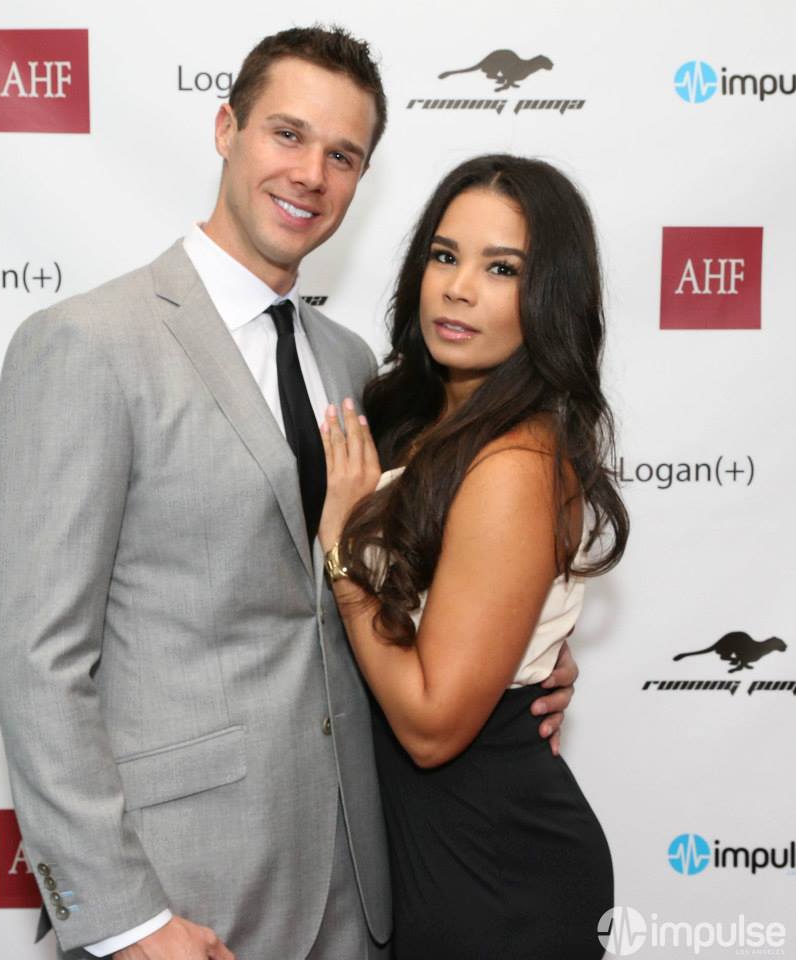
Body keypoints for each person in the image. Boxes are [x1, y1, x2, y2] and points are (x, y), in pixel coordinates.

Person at [0, 27, 578, 960]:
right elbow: (37, 662)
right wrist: (122, 917)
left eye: (342, 155)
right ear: (227, 128)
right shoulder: (88, 345)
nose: (310, 173)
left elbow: (401, 577)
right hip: (182, 889)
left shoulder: (349, 365)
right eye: (287, 135)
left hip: (362, 878)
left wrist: (526, 656)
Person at [317, 155, 628, 959]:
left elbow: (429, 726)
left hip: (497, 870)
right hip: (426, 852)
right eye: (445, 255)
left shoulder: (514, 464)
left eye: (502, 269)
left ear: (548, 298)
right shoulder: (413, 417)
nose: (458, 288)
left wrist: (344, 554)